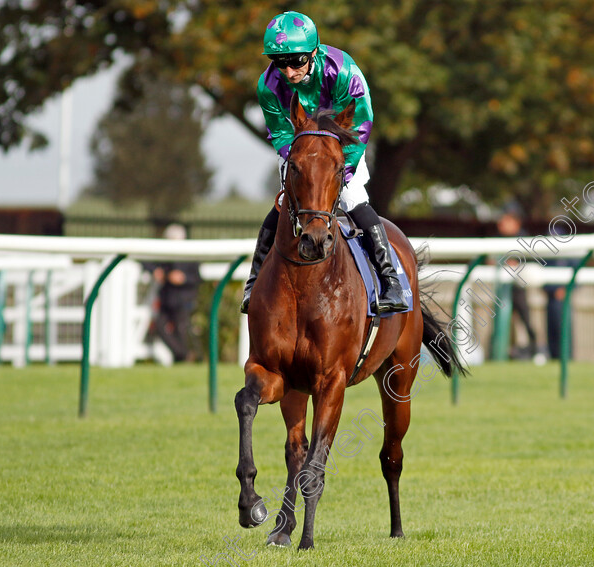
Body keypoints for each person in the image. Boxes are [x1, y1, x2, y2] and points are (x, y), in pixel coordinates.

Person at [241, 11, 407, 316]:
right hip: (301, 149)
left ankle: (391, 280)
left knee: (353, 198)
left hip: (342, 145)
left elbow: (360, 124)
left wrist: (342, 169)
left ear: (313, 52)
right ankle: (254, 283)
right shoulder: (268, 86)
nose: (288, 72)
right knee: (280, 207)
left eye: (296, 61)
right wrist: (301, 160)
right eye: (280, 62)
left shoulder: (344, 71)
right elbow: (279, 132)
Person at [150, 224, 202, 363]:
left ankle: (183, 357)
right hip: (167, 299)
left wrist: (183, 278)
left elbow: (197, 278)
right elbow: (146, 261)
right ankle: (184, 355)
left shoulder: (191, 255)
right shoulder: (163, 255)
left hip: (184, 299)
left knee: (181, 328)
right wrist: (156, 271)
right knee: (160, 326)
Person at [496, 211, 543, 362]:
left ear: (515, 223)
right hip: (503, 287)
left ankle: (535, 349)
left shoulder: (524, 238)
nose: (501, 224)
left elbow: (534, 261)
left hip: (518, 288)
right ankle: (499, 352)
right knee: (500, 320)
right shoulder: (499, 238)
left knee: (525, 319)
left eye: (505, 220)